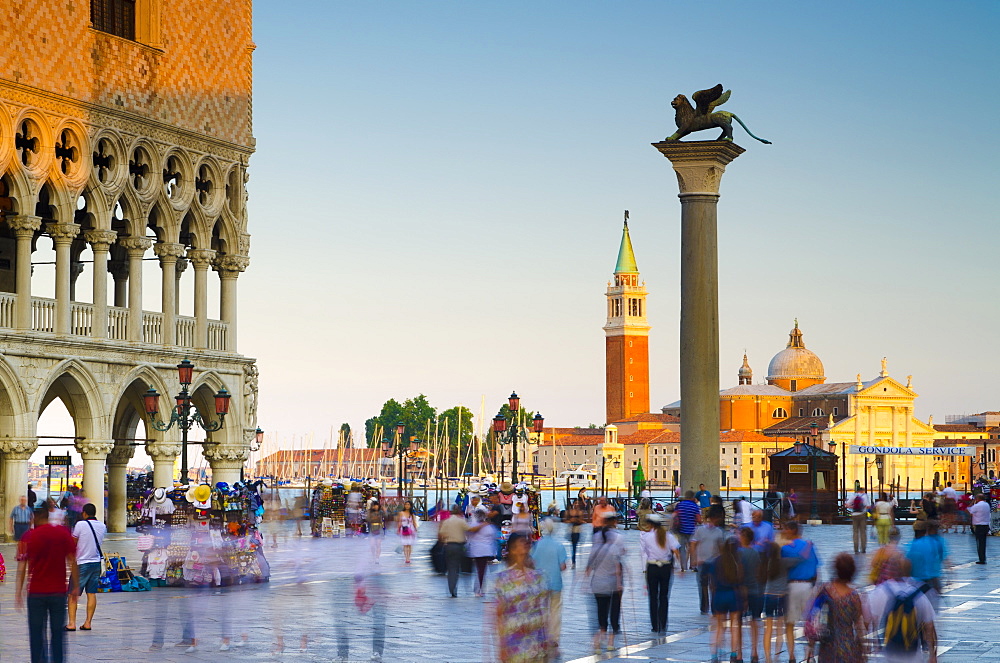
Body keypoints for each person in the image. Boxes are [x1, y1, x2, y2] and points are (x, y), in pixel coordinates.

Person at [16, 507, 79, 663]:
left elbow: (22, 566)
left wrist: (18, 592)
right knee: (58, 633)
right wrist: (76, 585)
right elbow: (72, 560)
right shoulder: (63, 533)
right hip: (58, 592)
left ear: (35, 518)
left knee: (37, 634)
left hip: (36, 592)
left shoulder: (28, 537)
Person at [868, 559, 938, 663]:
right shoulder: (918, 594)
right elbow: (930, 627)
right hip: (914, 656)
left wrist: (874, 644)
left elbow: (870, 620)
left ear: (890, 573)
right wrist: (932, 654)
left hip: (889, 655)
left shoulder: (880, 591)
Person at [494, 532, 548, 663]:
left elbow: (543, 609)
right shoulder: (503, 578)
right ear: (512, 549)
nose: (526, 544)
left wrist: (546, 637)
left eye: (527, 542)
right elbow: (498, 614)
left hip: (535, 639)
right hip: (514, 640)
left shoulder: (538, 576)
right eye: (521, 542)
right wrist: (501, 646)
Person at [807, 553, 867, 663]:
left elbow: (814, 617)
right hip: (847, 647)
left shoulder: (824, 590)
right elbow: (859, 625)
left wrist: (810, 646)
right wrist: (863, 647)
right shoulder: (853, 596)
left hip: (827, 646)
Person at [586, 512, 627, 652]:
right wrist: (620, 583)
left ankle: (598, 640)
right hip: (613, 583)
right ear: (614, 521)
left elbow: (589, 564)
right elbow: (619, 562)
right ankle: (610, 641)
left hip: (597, 583)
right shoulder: (618, 539)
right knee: (614, 612)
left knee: (601, 612)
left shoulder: (596, 539)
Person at [781, 520, 819, 663]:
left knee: (789, 623)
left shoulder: (785, 549)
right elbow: (816, 569)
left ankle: (791, 655)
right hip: (808, 586)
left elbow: (781, 569)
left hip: (792, 587)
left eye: (785, 529)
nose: (783, 532)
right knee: (809, 623)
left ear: (791, 530)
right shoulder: (810, 547)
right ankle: (809, 655)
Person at [530, 518, 567, 657]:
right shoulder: (559, 546)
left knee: (541, 612)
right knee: (555, 611)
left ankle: (541, 638)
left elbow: (532, 562)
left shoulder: (537, 545)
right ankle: (554, 638)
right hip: (556, 583)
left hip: (540, 584)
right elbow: (563, 566)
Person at [639, 513, 680, 634]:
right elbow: (676, 551)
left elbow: (644, 552)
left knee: (653, 597)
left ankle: (655, 625)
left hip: (652, 566)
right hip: (665, 567)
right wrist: (678, 567)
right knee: (664, 596)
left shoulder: (646, 536)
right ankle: (663, 623)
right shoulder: (668, 536)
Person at [68, 503, 106, 631]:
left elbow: (73, 543)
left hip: (81, 563)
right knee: (91, 593)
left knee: (73, 594)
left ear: (84, 513)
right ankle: (88, 622)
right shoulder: (102, 526)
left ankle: (72, 623)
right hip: (96, 563)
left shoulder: (80, 525)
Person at [708, 536, 744, 663]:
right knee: (734, 625)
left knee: (718, 626)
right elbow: (740, 579)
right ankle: (733, 654)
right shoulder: (737, 562)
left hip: (719, 594)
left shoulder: (716, 561)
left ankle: (714, 654)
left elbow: (711, 582)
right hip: (733, 594)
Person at [691, 504, 726, 614]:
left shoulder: (719, 531)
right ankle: (704, 607)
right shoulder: (700, 530)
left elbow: (721, 548)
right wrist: (694, 559)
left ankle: (714, 607)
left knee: (714, 585)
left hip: (714, 561)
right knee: (703, 585)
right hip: (702, 561)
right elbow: (693, 544)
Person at [737, 527, 762, 663]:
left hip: (741, 590)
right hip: (755, 589)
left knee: (739, 622)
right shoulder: (756, 553)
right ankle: (754, 652)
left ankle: (739, 653)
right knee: (754, 621)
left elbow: (738, 573)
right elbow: (758, 572)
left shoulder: (738, 554)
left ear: (743, 537)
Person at [906, 520, 948, 601]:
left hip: (914, 584)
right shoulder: (935, 543)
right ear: (926, 531)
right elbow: (941, 559)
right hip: (932, 582)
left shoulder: (909, 545)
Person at [760, 540, 788, 663]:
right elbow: (800, 560)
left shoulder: (766, 563)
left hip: (768, 595)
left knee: (768, 628)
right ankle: (777, 655)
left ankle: (767, 657)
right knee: (779, 628)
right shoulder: (784, 563)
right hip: (781, 596)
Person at [437, 505, 470, 597]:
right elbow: (469, 529)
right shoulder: (461, 521)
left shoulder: (446, 521)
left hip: (448, 546)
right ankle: (457, 587)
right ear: (459, 511)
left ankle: (451, 587)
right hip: (459, 546)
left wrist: (442, 542)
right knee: (457, 568)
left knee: (451, 568)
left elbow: (441, 534)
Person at [467, 508, 497, 596]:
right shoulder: (488, 526)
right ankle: (479, 589)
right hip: (485, 550)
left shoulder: (472, 525)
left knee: (479, 569)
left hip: (475, 549)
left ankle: (478, 589)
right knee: (482, 570)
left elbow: (468, 535)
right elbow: (492, 537)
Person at [674, 490, 701, 571]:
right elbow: (699, 519)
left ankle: (683, 567)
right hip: (692, 530)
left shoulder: (679, 505)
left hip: (681, 529)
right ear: (693, 497)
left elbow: (675, 516)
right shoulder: (695, 506)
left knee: (682, 549)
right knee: (693, 548)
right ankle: (693, 566)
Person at [969, 493, 991, 565]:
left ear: (977, 499)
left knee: (979, 543)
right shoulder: (987, 505)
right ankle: (983, 557)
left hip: (979, 526)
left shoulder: (977, 506)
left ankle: (981, 559)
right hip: (986, 525)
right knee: (983, 543)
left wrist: (972, 502)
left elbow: (969, 511)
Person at [848, 487, 870, 554]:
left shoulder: (853, 495)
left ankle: (856, 549)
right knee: (863, 532)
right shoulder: (865, 496)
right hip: (862, 514)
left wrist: (853, 507)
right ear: (862, 491)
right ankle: (863, 549)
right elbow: (868, 506)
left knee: (855, 532)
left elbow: (847, 505)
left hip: (854, 515)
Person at [564, 499, 585, 568]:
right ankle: (573, 561)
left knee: (575, 547)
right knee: (573, 547)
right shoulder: (570, 512)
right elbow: (565, 521)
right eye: (575, 503)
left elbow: (581, 521)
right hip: (571, 531)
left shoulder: (580, 512)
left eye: (577, 504)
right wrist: (571, 520)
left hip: (577, 531)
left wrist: (575, 520)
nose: (576, 505)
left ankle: (574, 561)